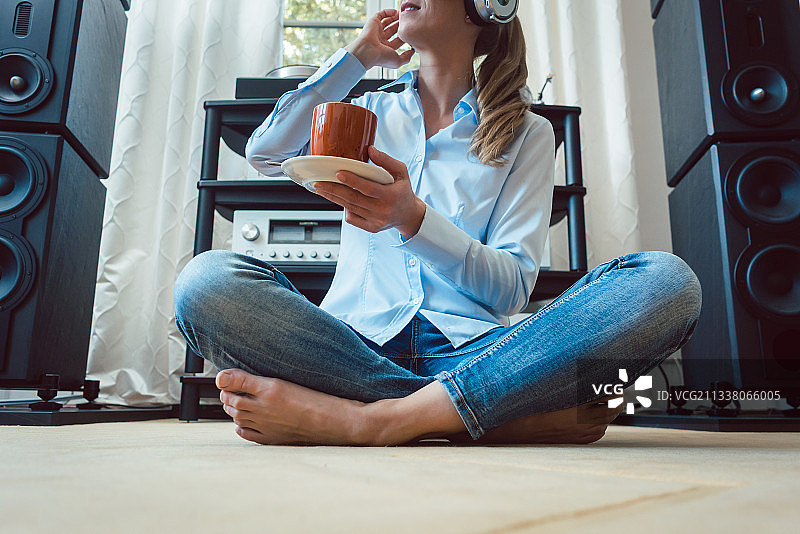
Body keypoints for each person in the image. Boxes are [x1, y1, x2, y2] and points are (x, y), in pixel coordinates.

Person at [174, 2, 701, 446]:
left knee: (665, 282)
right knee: (205, 283)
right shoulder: (366, 110)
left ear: (482, 6)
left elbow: (511, 289)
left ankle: (371, 420)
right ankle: (487, 410)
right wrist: (356, 56)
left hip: (475, 350)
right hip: (349, 348)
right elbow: (264, 152)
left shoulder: (527, 133)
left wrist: (413, 220)